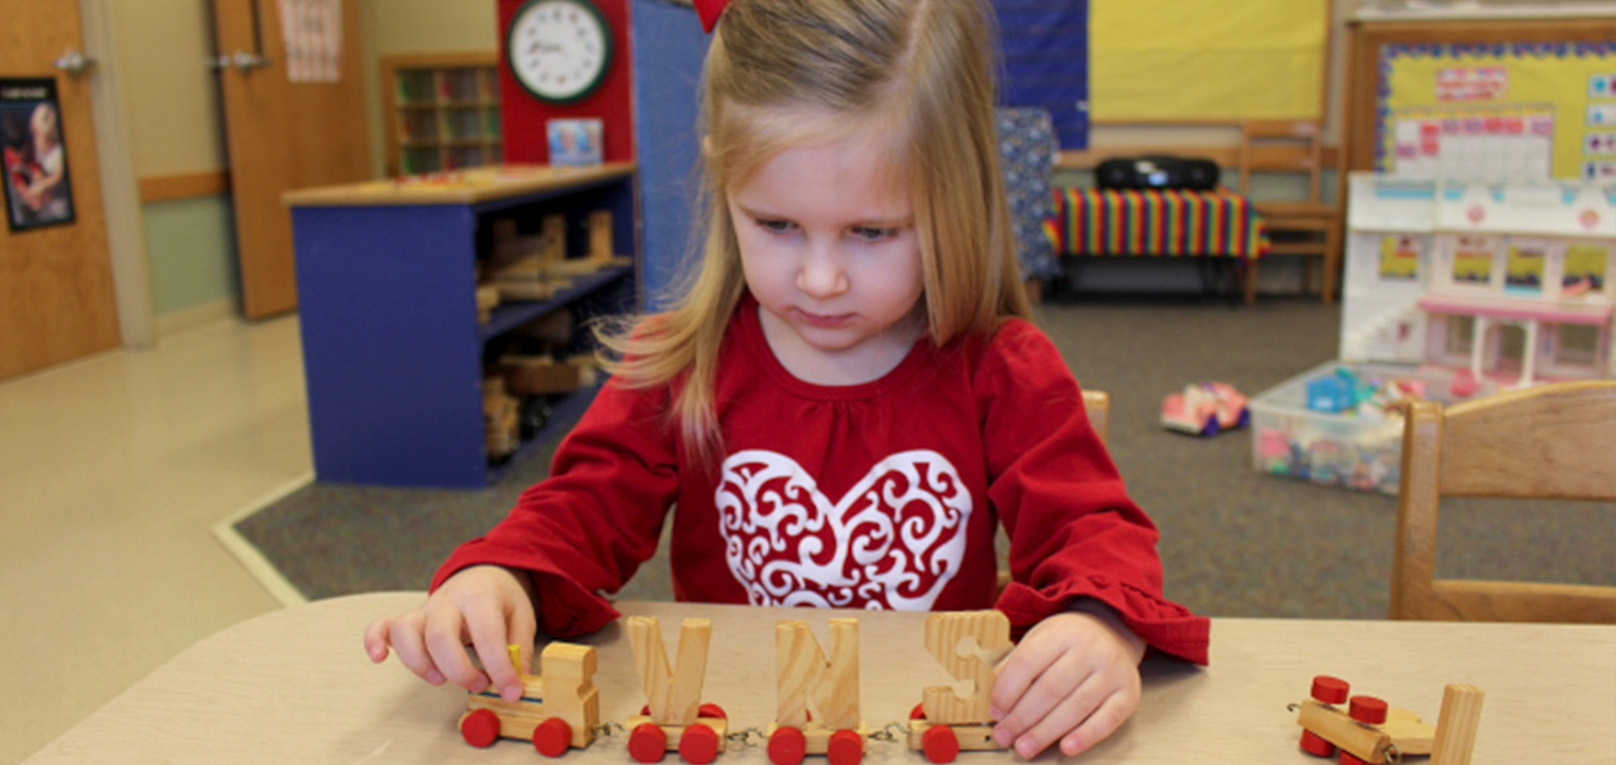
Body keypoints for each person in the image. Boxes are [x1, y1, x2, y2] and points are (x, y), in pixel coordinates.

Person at [365, 0, 1209, 758]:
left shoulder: (1003, 368)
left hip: (930, 731)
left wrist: (1099, 624)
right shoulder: (681, 364)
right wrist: (499, 574)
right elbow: (582, 506)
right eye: (774, 223)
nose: (819, 279)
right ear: (721, 176)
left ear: (958, 199)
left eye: (872, 232)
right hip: (741, 729)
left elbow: (1095, 529)